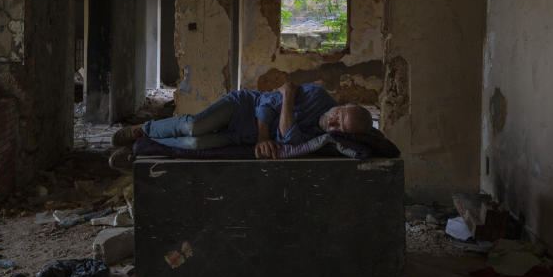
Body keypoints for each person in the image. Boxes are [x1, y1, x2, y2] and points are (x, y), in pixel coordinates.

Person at [111, 81, 373, 160]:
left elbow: (288, 139)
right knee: (194, 126)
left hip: (243, 137)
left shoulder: (323, 138)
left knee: (194, 145)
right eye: (338, 117)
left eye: (340, 128)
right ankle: (142, 129)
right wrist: (264, 137)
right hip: (242, 108)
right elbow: (267, 102)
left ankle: (146, 141)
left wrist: (289, 96)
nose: (333, 124)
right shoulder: (318, 96)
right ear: (342, 105)